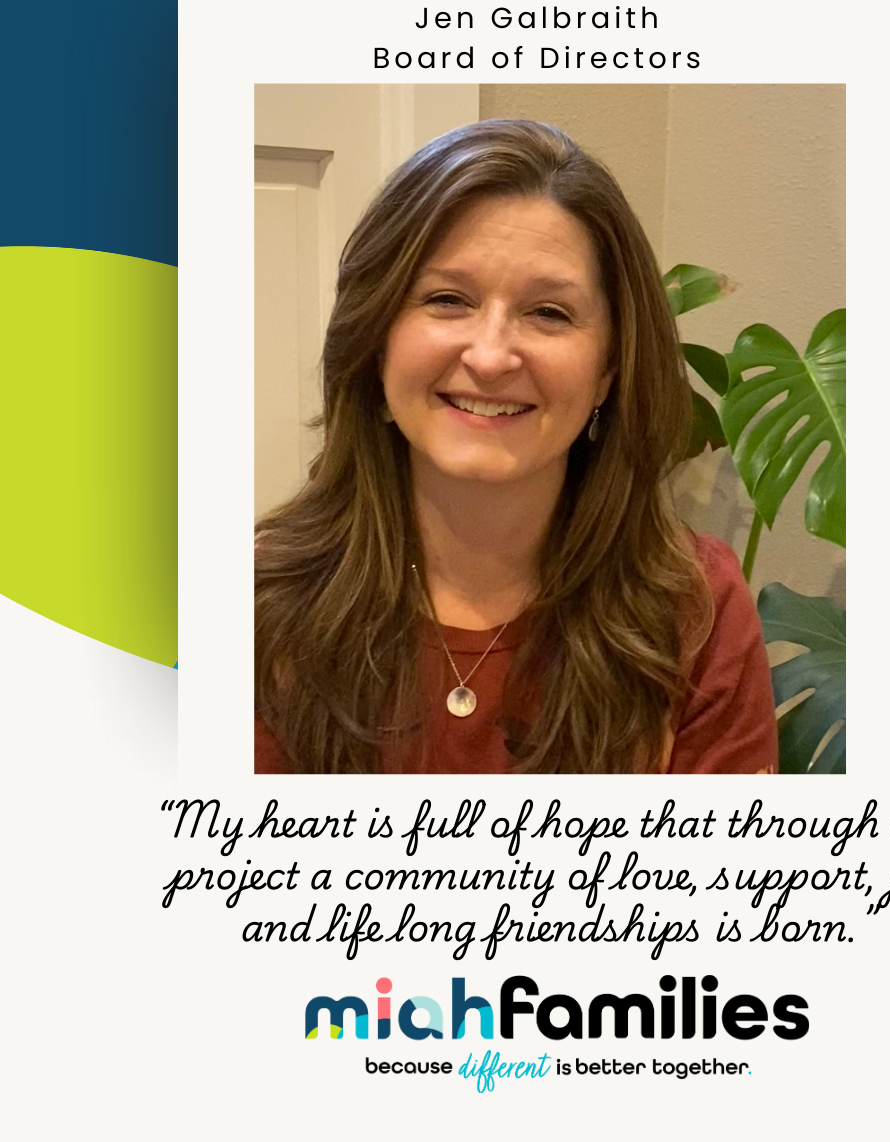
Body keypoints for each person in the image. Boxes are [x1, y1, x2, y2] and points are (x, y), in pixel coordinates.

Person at [254, 119, 777, 774]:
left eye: (549, 313)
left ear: (609, 369)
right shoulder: (255, 603)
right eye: (447, 299)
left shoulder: (695, 609)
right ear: (376, 338)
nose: (493, 355)